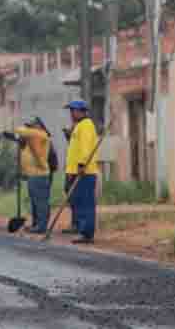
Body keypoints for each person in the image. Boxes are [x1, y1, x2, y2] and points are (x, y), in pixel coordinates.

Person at [3, 117, 51, 234]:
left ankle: (41, 226)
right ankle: (36, 224)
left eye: (32, 125)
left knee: (40, 202)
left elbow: (21, 131)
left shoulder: (40, 134)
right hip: (33, 175)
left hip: (39, 174)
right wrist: (12, 137)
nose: (29, 128)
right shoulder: (33, 138)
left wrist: (19, 130)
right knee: (35, 202)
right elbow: (21, 137)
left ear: (39, 126)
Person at [63, 99, 99, 244]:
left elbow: (85, 147)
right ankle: (81, 228)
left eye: (73, 111)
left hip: (84, 172)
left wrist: (81, 164)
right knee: (78, 202)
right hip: (76, 171)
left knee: (86, 203)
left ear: (81, 111)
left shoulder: (86, 125)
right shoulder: (79, 126)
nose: (71, 114)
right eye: (71, 111)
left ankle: (87, 233)